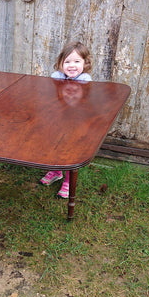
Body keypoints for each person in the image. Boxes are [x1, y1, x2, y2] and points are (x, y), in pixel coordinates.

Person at [40, 41, 92, 198]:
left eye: (77, 61)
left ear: (85, 63)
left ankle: (68, 181)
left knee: (69, 151)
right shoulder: (57, 77)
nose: (72, 65)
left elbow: (79, 100)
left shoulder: (85, 80)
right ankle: (56, 171)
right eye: (67, 61)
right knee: (54, 146)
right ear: (60, 63)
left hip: (74, 124)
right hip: (57, 120)